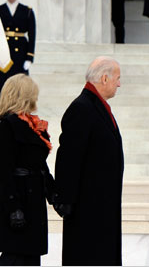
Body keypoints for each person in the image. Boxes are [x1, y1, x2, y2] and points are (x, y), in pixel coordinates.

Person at [53, 56, 124, 266]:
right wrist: (65, 198)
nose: (119, 83)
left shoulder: (95, 106)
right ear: (104, 78)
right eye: (117, 78)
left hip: (101, 207)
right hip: (88, 210)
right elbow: (68, 157)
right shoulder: (82, 108)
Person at [0, 74, 55, 266]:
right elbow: (4, 170)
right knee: (15, 254)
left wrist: (53, 194)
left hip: (33, 197)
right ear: (24, 95)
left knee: (31, 255)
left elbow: (40, 165)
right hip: (18, 198)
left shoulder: (31, 125)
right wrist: (13, 208)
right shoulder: (9, 125)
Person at [0, 0, 36, 94]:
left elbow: (32, 36)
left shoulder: (27, 11)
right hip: (3, 50)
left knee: (20, 84)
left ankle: (19, 109)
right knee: (3, 83)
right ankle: (4, 108)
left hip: (20, 52)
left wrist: (29, 57)